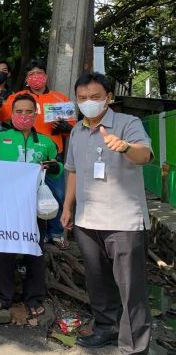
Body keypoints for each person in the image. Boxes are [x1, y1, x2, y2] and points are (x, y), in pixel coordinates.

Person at [61, 72, 153, 354]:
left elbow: (145, 155)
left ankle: (135, 347)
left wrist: (124, 146)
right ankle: (107, 328)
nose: (89, 102)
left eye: (95, 97)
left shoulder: (128, 124)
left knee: (130, 289)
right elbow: (73, 172)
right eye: (83, 98)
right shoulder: (77, 130)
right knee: (98, 283)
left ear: (109, 97)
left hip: (124, 222)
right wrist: (67, 207)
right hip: (87, 222)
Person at [0, 93, 61, 319]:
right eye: (19, 111)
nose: (24, 115)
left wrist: (53, 168)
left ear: (36, 114)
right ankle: (1, 297)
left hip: (34, 206)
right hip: (6, 203)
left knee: (35, 252)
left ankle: (34, 299)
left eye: (29, 111)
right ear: (11, 114)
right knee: (4, 251)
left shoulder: (45, 142)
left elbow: (59, 167)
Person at [0, 59, 72, 247]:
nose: (36, 77)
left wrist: (65, 126)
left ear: (45, 76)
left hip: (52, 156)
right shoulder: (17, 97)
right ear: (26, 79)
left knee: (57, 195)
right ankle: (36, 232)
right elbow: (4, 115)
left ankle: (56, 232)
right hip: (25, 156)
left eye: (40, 73)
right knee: (27, 198)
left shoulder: (60, 98)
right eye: (31, 74)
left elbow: (73, 127)